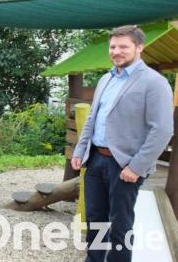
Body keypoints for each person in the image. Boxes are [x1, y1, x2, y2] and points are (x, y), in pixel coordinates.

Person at [71, 25, 172, 262]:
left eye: (123, 46)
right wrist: (80, 149)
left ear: (139, 47)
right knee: (95, 220)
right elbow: (93, 120)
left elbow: (163, 129)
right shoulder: (106, 79)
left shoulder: (154, 82)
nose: (116, 51)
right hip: (95, 160)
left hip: (125, 165)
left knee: (120, 225)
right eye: (113, 46)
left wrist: (136, 167)